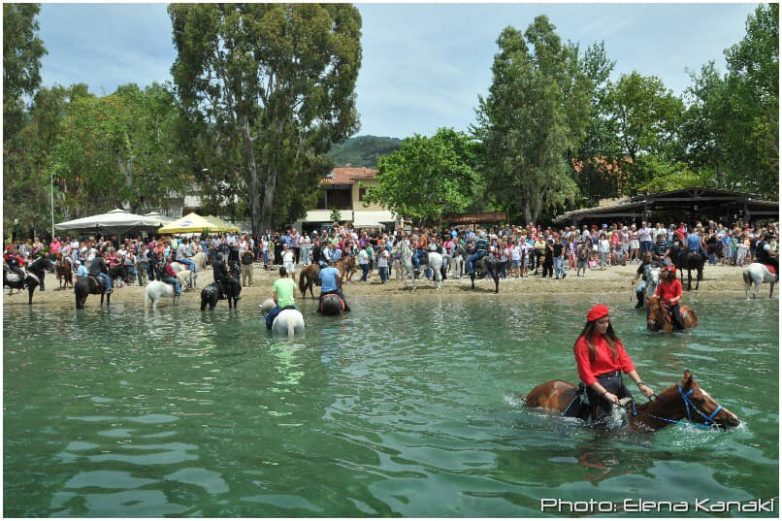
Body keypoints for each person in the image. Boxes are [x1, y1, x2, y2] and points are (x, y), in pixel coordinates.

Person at [573, 304, 655, 423]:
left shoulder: (612, 340)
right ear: (593, 324)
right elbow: (586, 375)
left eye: (607, 321)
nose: (606, 325)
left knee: (635, 416)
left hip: (618, 383)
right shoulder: (583, 343)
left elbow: (626, 363)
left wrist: (640, 384)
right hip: (598, 387)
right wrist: (606, 394)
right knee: (603, 427)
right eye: (601, 322)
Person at [655, 265, 685, 330]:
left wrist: (673, 299)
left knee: (677, 318)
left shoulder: (677, 282)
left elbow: (679, 295)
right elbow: (657, 294)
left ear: (672, 274)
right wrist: (652, 297)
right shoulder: (662, 283)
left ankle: (682, 330)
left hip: (674, 305)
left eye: (668, 273)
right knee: (653, 314)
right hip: (663, 305)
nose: (666, 274)